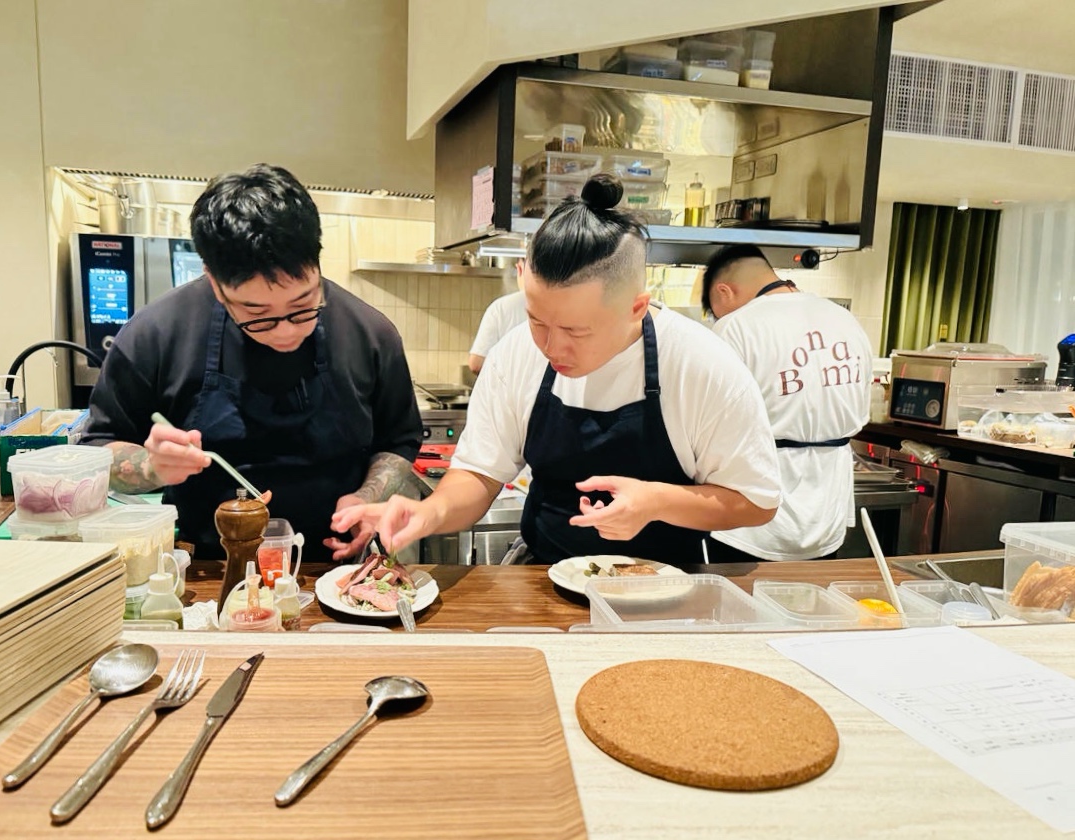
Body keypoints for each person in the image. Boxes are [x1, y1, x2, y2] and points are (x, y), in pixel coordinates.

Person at [334, 174, 782, 567]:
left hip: (666, 589)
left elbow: (756, 501)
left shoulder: (702, 366)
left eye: (575, 331)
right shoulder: (515, 354)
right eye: (537, 321)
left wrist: (657, 501)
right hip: (541, 577)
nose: (550, 346)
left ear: (636, 308)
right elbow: (480, 474)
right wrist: (430, 512)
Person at [81, 163, 422, 562]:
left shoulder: (371, 334)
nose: (285, 332)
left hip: (334, 568)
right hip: (204, 570)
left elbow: (398, 442)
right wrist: (150, 466)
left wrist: (367, 498)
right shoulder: (155, 334)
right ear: (214, 281)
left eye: (303, 306)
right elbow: (97, 451)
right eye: (258, 315)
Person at [702, 244, 873, 561]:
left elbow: (707, 424)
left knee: (738, 594)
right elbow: (861, 414)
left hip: (750, 520)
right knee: (812, 592)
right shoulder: (845, 320)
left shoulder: (735, 327)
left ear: (724, 292)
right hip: (827, 512)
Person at [468, 260, 528, 374]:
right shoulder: (560, 304)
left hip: (508, 384)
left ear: (520, 268)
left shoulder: (501, 308)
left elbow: (476, 364)